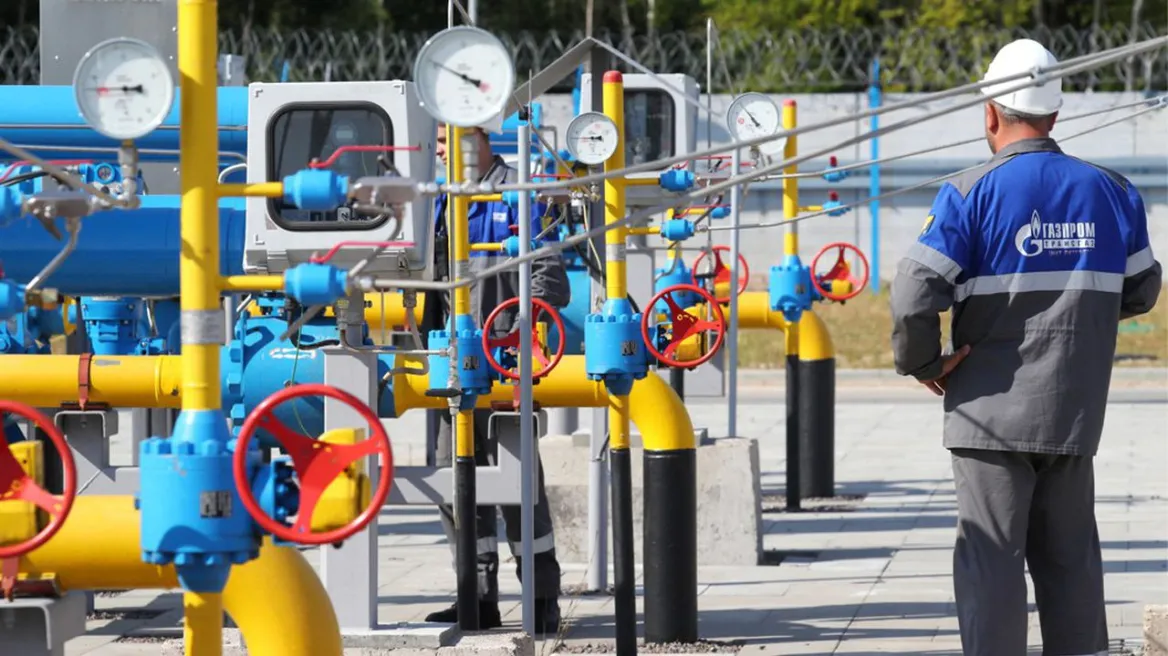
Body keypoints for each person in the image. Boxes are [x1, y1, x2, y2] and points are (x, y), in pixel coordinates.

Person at [889, 38, 1161, 656]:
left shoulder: (968, 194)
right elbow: (1142, 289)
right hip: (1073, 411)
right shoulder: (1114, 192)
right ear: (1055, 114)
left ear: (990, 113)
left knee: (991, 562)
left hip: (987, 417)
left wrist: (924, 362)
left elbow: (912, 293)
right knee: (1071, 563)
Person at [420, 123, 572, 633]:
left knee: (520, 490)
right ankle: (477, 598)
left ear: (480, 139)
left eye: (451, 140)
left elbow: (552, 281)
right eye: (439, 143)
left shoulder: (517, 195)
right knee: (454, 485)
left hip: (505, 369)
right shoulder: (441, 201)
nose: (442, 151)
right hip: (453, 370)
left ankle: (542, 599)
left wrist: (511, 334)